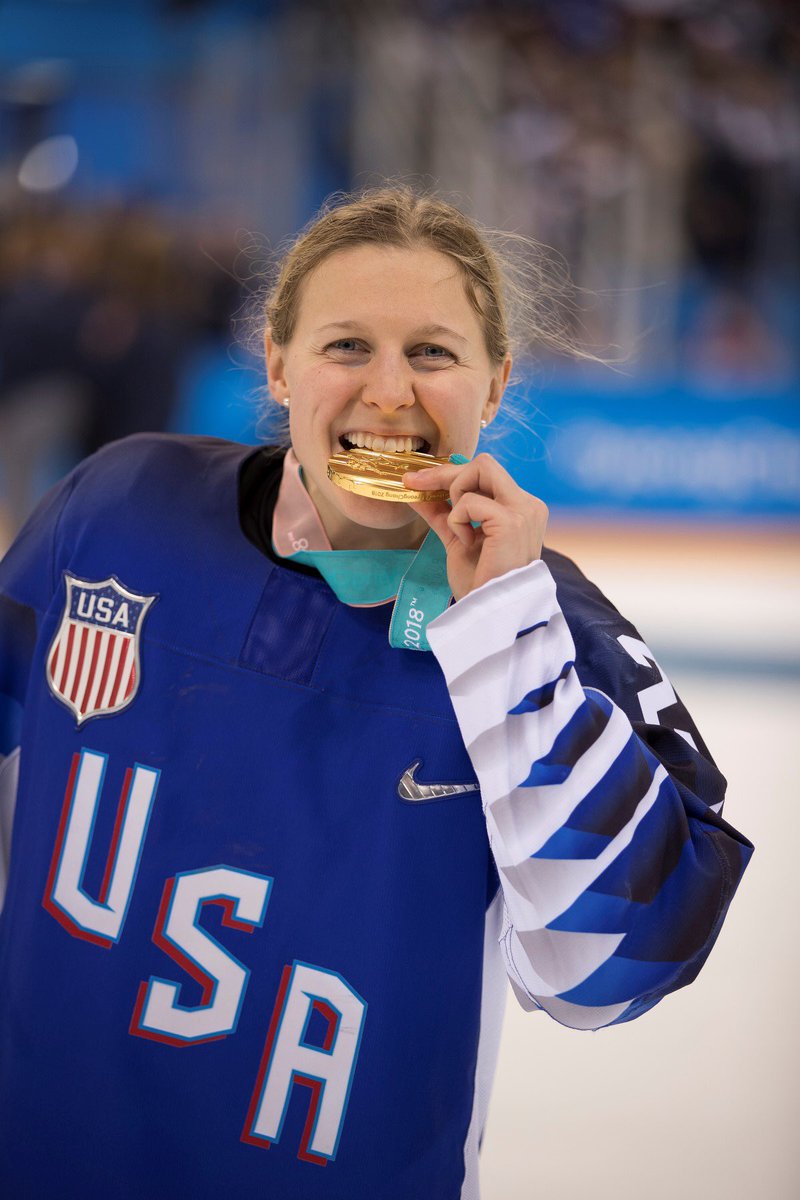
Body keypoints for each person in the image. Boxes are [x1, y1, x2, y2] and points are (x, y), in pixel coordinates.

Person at [0, 188, 751, 1199]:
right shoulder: (119, 507)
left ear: (494, 384)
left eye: (433, 353)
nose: (388, 391)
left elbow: (607, 971)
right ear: (276, 362)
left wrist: (504, 636)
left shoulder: (557, 630)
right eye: (346, 345)